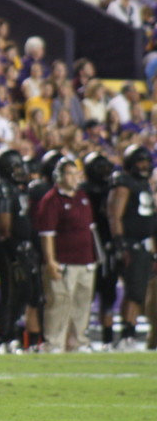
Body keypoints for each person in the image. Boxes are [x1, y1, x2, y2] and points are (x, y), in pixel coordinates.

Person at [37, 158, 95, 353]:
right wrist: (51, 261)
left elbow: (89, 229)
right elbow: (47, 234)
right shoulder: (52, 200)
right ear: (59, 177)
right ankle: (54, 343)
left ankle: (78, 342)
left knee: (81, 304)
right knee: (59, 303)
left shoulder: (82, 197)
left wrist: (93, 256)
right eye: (69, 173)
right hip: (64, 261)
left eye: (76, 173)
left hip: (85, 260)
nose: (74, 178)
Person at [0, 149, 35, 353]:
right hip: (6, 246)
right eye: (15, 166)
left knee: (23, 292)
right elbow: (2, 226)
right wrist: (12, 250)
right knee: (9, 292)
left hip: (19, 245)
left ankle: (10, 333)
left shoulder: (17, 188)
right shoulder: (0, 187)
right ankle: (4, 338)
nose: (19, 170)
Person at [107, 144, 155, 351]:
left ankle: (131, 332)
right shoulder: (123, 183)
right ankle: (127, 335)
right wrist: (120, 244)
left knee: (139, 292)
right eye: (140, 161)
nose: (144, 165)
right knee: (133, 292)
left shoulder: (143, 184)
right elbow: (114, 215)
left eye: (146, 161)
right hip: (131, 245)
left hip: (145, 247)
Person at [81, 152, 117, 349]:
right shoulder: (83, 190)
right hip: (87, 246)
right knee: (86, 295)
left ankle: (108, 337)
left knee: (108, 295)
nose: (104, 172)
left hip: (108, 246)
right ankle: (81, 334)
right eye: (100, 168)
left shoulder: (113, 188)